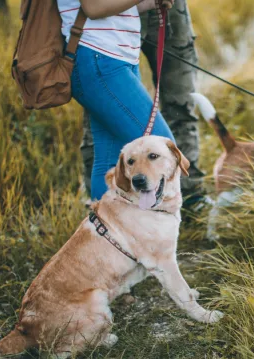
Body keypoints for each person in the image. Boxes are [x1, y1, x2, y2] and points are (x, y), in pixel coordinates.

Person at [80, 0, 204, 206]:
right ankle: (105, 214)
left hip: (166, 10)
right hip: (106, 25)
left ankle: (191, 198)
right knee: (106, 120)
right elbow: (92, 7)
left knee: (181, 104)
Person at [57, 0, 175, 200]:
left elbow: (113, 5)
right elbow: (93, 7)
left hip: (117, 59)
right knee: (162, 147)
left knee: (109, 164)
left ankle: (105, 230)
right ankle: (152, 226)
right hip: (99, 58)